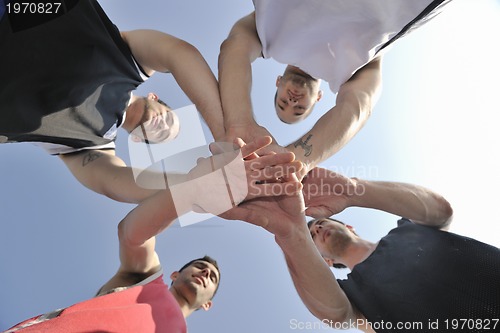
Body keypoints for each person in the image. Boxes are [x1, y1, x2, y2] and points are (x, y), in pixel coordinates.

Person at [3, 137, 303, 333]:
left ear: (208, 304)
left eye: (212, 277)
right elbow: (132, 234)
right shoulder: (147, 281)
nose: (205, 273)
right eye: (201, 267)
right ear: (173, 274)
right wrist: (195, 191)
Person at [0, 0, 226, 204]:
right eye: (169, 118)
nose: (163, 126)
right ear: (154, 97)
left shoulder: (90, 147)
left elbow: (115, 182)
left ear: (138, 139)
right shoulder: (134, 63)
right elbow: (178, 54)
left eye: (162, 136)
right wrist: (225, 134)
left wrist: (195, 185)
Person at [223, 167, 500, 332]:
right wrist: (291, 232)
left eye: (319, 223)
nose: (317, 229)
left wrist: (354, 190)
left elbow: (442, 211)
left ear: (351, 227)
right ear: (326, 262)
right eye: (313, 236)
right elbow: (336, 314)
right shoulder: (353, 298)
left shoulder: (407, 229)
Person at [218, 0, 452, 178]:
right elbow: (357, 107)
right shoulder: (350, 71)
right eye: (299, 108)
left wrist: (240, 122)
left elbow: (235, 48)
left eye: (283, 103)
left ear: (278, 82)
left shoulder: (265, 35)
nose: (292, 101)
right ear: (318, 98)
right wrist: (293, 162)